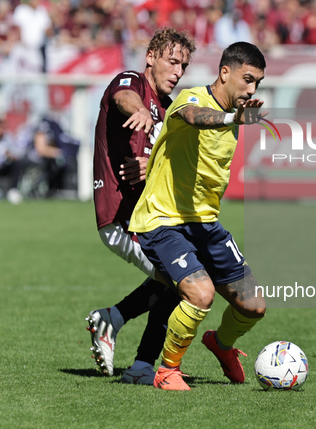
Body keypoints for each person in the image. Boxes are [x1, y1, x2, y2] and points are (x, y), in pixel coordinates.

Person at [129, 41, 268, 391]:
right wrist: (232, 118)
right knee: (200, 294)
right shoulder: (191, 99)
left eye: (258, 84)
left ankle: (220, 345)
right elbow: (194, 118)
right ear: (225, 72)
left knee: (253, 306)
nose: (252, 90)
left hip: (204, 224)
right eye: (247, 79)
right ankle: (166, 370)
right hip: (163, 220)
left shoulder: (234, 112)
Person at [86, 28, 195, 384]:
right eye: (172, 61)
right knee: (184, 284)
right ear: (151, 57)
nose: (178, 71)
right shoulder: (132, 82)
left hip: (151, 219)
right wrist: (142, 113)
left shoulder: (168, 107)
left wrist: (155, 165)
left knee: (184, 280)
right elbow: (123, 98)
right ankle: (141, 364)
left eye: (184, 65)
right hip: (121, 217)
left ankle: (116, 324)